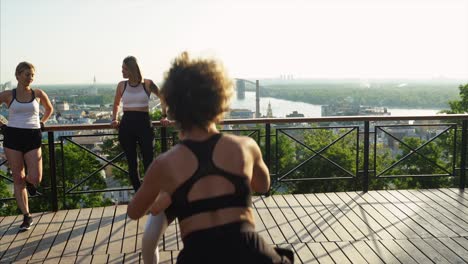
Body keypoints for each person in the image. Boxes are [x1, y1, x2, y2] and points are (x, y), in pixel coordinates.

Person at [127, 52, 294, 263]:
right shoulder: (246, 147)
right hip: (251, 253)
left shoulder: (165, 164)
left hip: (198, 255)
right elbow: (263, 185)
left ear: (174, 104)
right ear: (220, 98)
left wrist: (170, 192)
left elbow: (134, 212)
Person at [110, 55, 170, 263]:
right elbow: (116, 103)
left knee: (149, 163)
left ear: (132, 68)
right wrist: (114, 118)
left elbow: (163, 97)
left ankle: (151, 196)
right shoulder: (121, 85)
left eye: (124, 68)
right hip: (127, 125)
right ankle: (141, 198)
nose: (122, 71)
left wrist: (164, 115)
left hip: (144, 124)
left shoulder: (147, 84)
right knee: (132, 164)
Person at [0, 61, 53, 230]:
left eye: (32, 75)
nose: (30, 78)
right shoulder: (8, 94)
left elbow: (49, 109)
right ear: (17, 75)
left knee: (36, 177)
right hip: (13, 136)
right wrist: (2, 124)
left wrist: (42, 122)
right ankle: (26, 216)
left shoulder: (38, 93)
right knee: (17, 177)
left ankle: (30, 184)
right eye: (27, 74)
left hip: (32, 136)